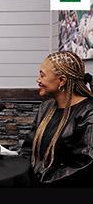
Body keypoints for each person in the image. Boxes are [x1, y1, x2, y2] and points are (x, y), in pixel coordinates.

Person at [21, 51, 93, 187]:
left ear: (61, 81)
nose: (38, 80)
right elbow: (28, 149)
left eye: (42, 75)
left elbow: (85, 165)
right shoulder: (45, 108)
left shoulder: (89, 113)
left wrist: (41, 180)